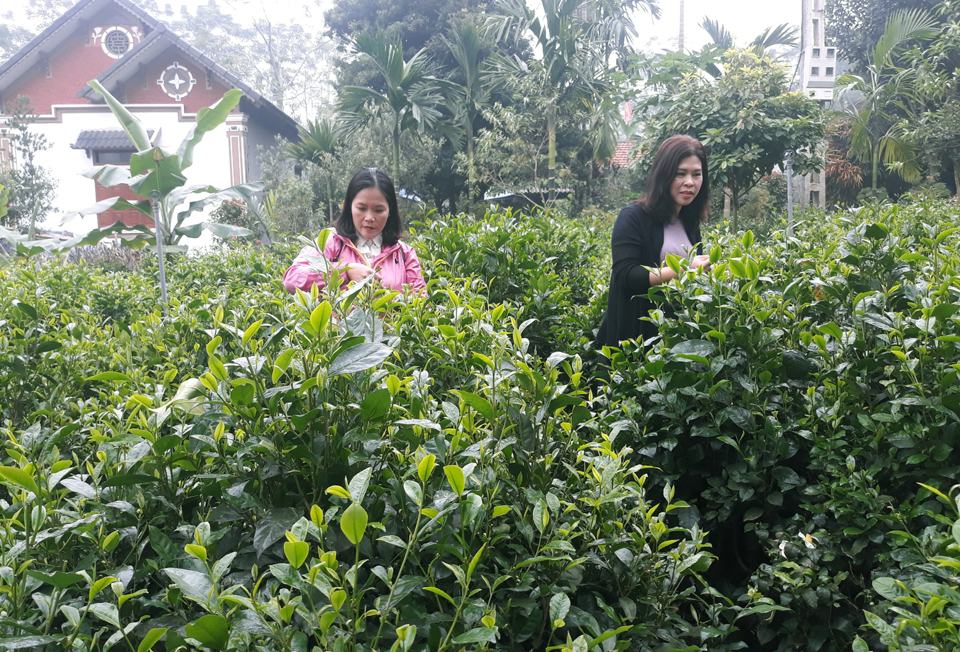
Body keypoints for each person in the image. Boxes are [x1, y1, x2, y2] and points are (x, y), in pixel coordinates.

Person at [595, 135, 712, 349]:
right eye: (680, 174)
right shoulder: (633, 217)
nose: (690, 182)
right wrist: (686, 269)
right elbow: (626, 274)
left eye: (697, 174)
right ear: (664, 176)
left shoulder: (690, 223)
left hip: (677, 339)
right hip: (636, 340)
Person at [283, 168, 427, 295]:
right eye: (362, 208)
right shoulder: (331, 243)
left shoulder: (404, 254)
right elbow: (292, 279)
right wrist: (344, 271)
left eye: (379, 210)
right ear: (349, 207)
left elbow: (420, 304)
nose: (369, 218)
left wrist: (390, 300)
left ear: (390, 210)